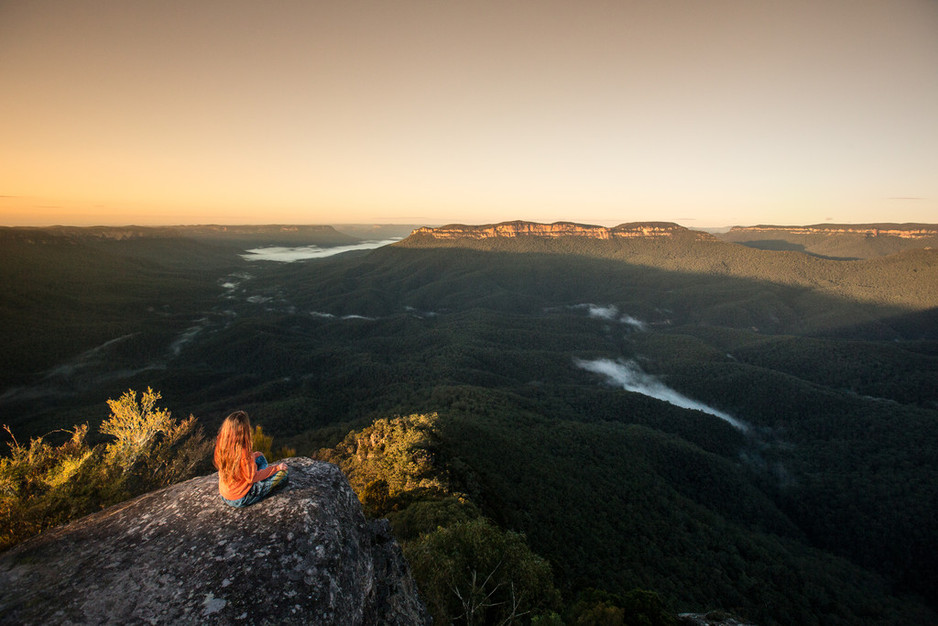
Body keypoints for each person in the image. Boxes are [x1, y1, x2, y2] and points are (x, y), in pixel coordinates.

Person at [214, 410, 289, 507]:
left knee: (259, 456)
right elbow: (252, 478)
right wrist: (277, 468)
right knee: (284, 474)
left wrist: (252, 458)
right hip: (241, 497)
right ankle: (262, 484)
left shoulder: (222, 442)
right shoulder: (244, 451)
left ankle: (262, 477)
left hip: (225, 494)